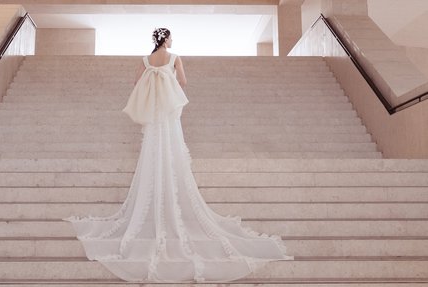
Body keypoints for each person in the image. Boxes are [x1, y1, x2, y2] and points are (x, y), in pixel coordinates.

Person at [63, 28, 292, 283]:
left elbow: (135, 83)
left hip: (154, 115)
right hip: (168, 116)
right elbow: (183, 82)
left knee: (153, 152)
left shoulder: (145, 60)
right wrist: (167, 78)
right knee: (172, 153)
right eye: (171, 38)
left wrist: (155, 79)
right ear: (166, 39)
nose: (172, 41)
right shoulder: (174, 58)